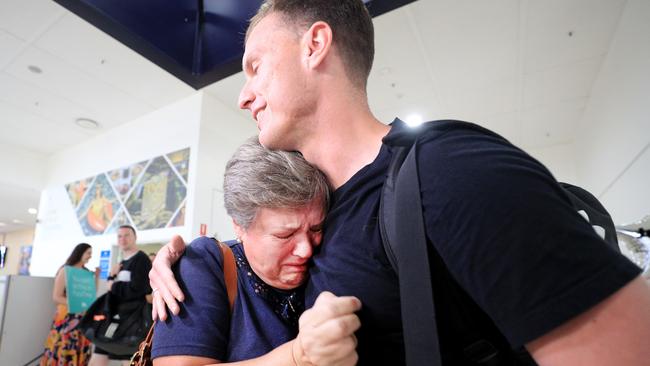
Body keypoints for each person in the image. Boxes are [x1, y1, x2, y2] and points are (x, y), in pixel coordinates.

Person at [150, 0, 650, 364]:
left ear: (315, 45)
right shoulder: (321, 203)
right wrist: (178, 258)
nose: (244, 95)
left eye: (255, 67)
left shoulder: (450, 171)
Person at [152, 137, 360, 366]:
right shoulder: (205, 261)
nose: (306, 249)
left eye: (316, 228)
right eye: (285, 235)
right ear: (239, 226)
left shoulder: (329, 252)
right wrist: (296, 356)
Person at [89, 225, 151, 366]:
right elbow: (113, 289)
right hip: (114, 320)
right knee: (98, 357)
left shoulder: (141, 259)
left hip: (132, 322)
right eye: (119, 236)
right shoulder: (121, 263)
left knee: (129, 360)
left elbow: (139, 289)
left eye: (127, 235)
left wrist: (113, 285)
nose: (123, 239)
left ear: (135, 237)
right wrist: (111, 277)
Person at [41, 243, 98, 366]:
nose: (90, 256)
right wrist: (75, 302)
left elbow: (90, 296)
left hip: (82, 318)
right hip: (66, 318)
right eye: (88, 253)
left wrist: (96, 278)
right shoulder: (65, 270)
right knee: (62, 348)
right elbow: (56, 297)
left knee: (78, 348)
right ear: (80, 253)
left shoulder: (86, 272)